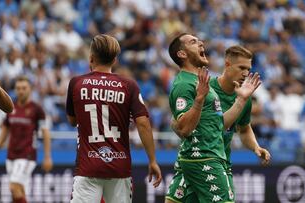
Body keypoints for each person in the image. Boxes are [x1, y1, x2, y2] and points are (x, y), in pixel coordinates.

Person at [165, 45, 271, 203]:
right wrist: (185, 131)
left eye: (248, 69)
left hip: (219, 161)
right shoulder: (206, 87)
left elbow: (244, 129)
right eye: (241, 67)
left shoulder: (245, 97)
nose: (245, 73)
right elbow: (176, 122)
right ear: (227, 64)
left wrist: (256, 147)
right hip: (196, 158)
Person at [66, 34, 162, 203]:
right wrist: (152, 160)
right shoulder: (129, 86)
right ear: (115, 60)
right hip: (119, 166)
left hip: (88, 165)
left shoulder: (76, 83)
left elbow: (73, 121)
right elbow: (143, 123)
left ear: (91, 58)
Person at [0, 76, 53, 203]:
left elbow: (45, 133)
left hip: (27, 154)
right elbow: (5, 129)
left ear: (30, 89)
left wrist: (47, 156)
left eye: (24, 88)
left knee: (14, 186)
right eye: (18, 88)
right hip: (11, 154)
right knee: (18, 191)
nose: (21, 91)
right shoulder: (10, 107)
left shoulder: (37, 109)